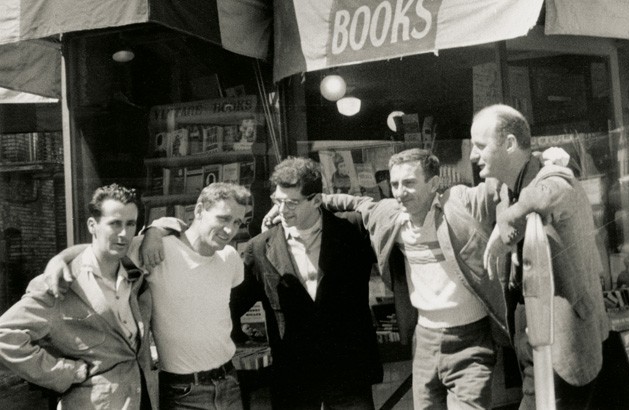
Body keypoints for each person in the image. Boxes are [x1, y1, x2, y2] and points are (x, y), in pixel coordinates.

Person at [144, 157, 382, 410]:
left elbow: (388, 209)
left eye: (292, 203)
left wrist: (334, 200)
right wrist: (155, 228)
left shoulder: (354, 230)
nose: (283, 210)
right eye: (278, 201)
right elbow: (228, 309)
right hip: (295, 383)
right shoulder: (259, 248)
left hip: (350, 378)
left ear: (315, 200)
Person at [280, 149, 511, 409]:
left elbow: (500, 187)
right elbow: (353, 202)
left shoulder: (459, 202)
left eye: (410, 183)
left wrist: (551, 166)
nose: (400, 191)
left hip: (472, 338)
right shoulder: (390, 216)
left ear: (434, 183)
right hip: (424, 339)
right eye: (395, 184)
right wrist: (287, 209)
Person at [44, 182, 251, 410]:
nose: (230, 230)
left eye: (237, 222)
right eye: (223, 218)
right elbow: (98, 250)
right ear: (200, 210)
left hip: (229, 382)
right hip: (183, 392)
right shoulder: (157, 250)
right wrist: (60, 260)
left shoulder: (230, 258)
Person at [471, 104, 612, 410]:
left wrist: (507, 222)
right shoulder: (506, 188)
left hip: (564, 347)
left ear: (509, 144)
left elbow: (546, 194)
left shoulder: (556, 179)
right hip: (532, 342)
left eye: (480, 146)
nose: (473, 155)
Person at [0, 183, 155, 409]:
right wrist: (66, 372)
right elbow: (4, 334)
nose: (124, 234)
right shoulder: (62, 283)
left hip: (141, 400)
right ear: (93, 225)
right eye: (114, 224)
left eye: (130, 224)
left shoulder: (135, 276)